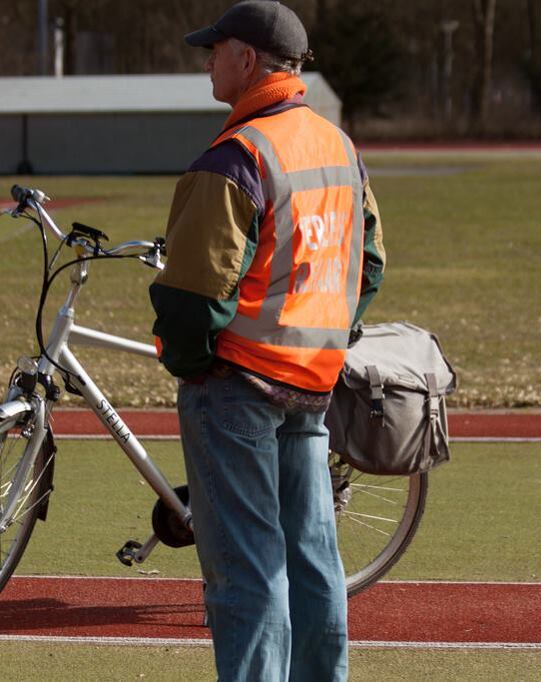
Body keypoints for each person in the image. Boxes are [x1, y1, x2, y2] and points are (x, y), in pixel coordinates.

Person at [148, 2, 385, 679]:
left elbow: (192, 299)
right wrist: (323, 335)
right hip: (309, 385)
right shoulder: (338, 146)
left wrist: (197, 364)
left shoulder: (236, 156)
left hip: (238, 388)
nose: (207, 60)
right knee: (312, 561)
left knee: (247, 577)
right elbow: (367, 264)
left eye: (215, 49)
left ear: (247, 60)